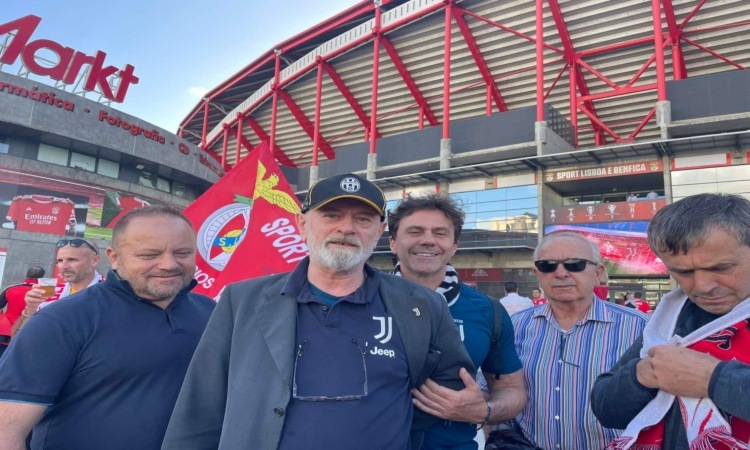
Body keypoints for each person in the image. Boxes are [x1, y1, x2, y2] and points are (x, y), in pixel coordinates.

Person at [162, 173, 474, 450]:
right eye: (331, 215)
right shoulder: (241, 299)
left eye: (363, 219)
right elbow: (201, 406)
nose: (346, 228)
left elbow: (447, 390)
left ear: (378, 232)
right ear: (302, 224)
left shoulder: (420, 304)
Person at [0, 205, 215, 450]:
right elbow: (6, 429)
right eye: (149, 255)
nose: (168, 264)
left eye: (183, 253)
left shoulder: (210, 312)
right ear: (114, 258)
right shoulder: (62, 320)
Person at [592, 193, 750, 449]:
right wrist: (641, 375)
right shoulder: (671, 317)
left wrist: (715, 380)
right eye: (683, 272)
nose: (703, 286)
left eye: (721, 268)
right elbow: (606, 408)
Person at [388, 193, 526, 450]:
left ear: (454, 246)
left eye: (440, 233)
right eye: (415, 231)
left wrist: (482, 411)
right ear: (393, 243)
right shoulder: (361, 301)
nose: (428, 240)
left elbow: (511, 388)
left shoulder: (487, 311)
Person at [512, 231, 649, 449]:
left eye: (574, 264)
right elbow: (496, 388)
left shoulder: (640, 327)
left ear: (598, 272)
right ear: (537, 273)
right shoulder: (515, 326)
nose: (560, 273)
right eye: (548, 265)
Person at [12, 238, 103, 337]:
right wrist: (30, 309)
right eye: (60, 260)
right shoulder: (49, 293)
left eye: (72, 259)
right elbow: (17, 339)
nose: (64, 266)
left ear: (94, 261)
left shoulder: (111, 294)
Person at [0, 266, 44, 356]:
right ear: (42, 278)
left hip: (5, 334)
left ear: (26, 275)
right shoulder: (43, 292)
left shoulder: (10, 289)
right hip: (31, 332)